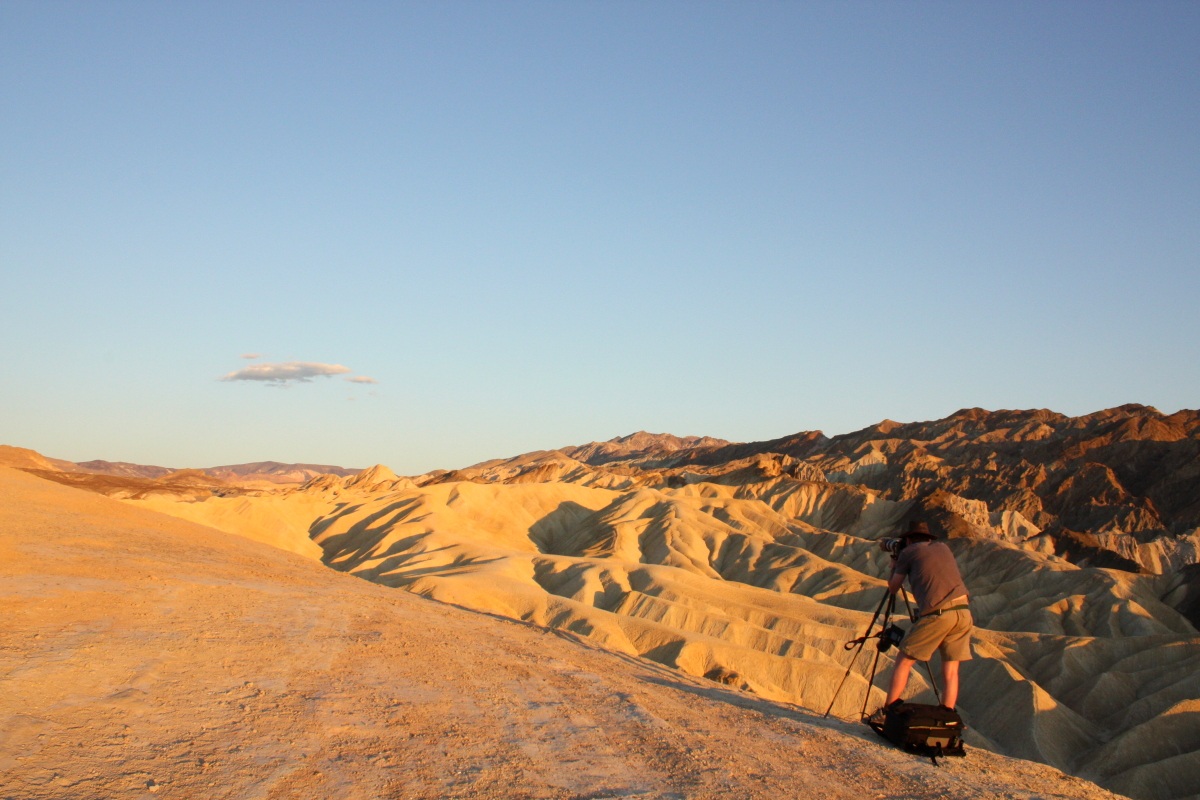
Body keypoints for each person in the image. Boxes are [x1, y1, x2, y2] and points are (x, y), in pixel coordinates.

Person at [878, 522, 972, 716]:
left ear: (909, 539)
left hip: (939, 614)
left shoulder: (908, 553)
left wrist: (895, 565)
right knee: (951, 670)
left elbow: (893, 587)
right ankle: (947, 714)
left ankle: (888, 710)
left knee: (904, 660)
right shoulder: (943, 547)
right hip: (964, 612)